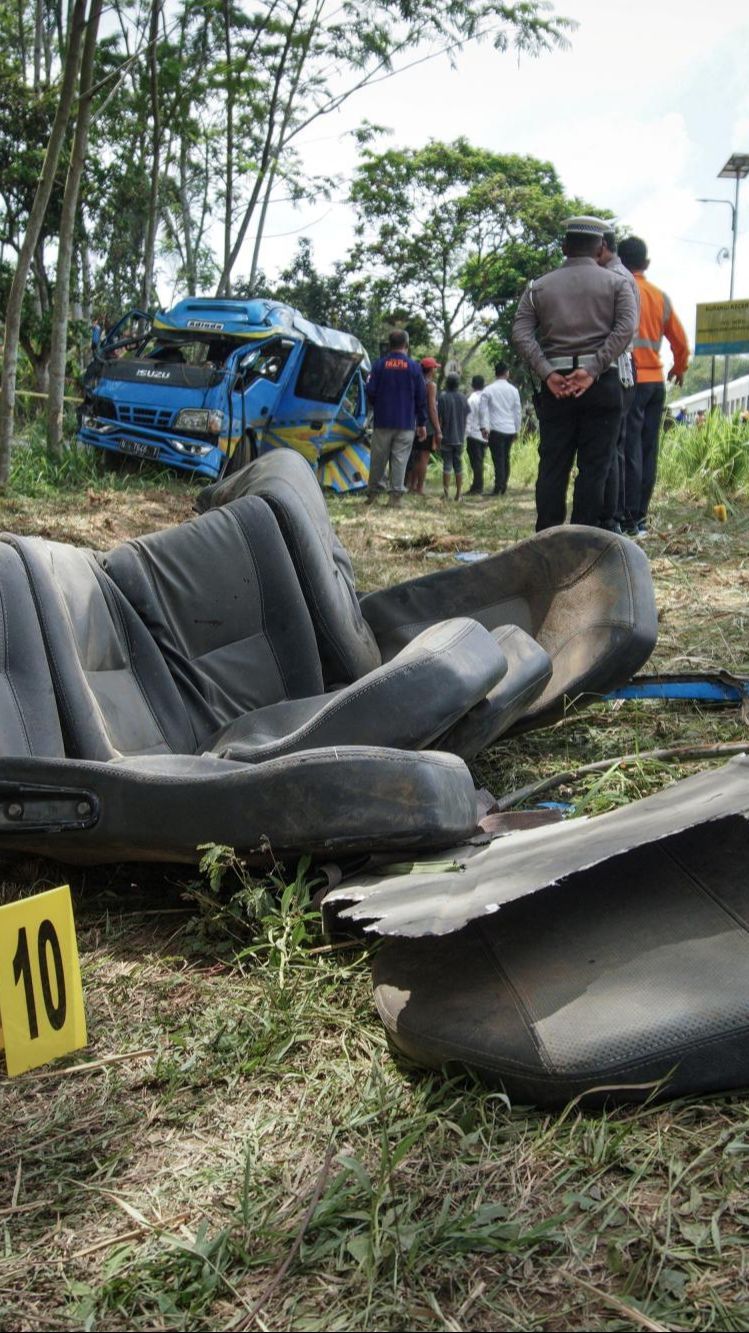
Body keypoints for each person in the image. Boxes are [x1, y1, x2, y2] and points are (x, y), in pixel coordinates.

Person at [511, 215, 638, 531]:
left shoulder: (538, 287)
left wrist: (547, 372)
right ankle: (584, 538)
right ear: (600, 249)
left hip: (556, 386)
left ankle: (549, 537)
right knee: (595, 467)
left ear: (565, 246)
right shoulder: (618, 284)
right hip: (601, 383)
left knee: (553, 465)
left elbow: (521, 333)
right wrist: (592, 369)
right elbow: (626, 329)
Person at [617, 236, 690, 536]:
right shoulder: (661, 297)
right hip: (655, 383)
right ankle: (641, 518)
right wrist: (679, 368)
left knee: (629, 450)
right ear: (646, 264)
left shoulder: (620, 290)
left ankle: (628, 517)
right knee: (649, 450)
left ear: (618, 261)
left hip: (629, 381)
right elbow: (681, 342)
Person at [597, 230, 639, 531]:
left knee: (610, 446)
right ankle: (617, 515)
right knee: (615, 446)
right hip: (621, 368)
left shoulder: (615, 279)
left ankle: (611, 518)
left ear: (601, 247)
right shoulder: (618, 275)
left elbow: (622, 330)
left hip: (617, 368)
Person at [365, 330, 427, 508]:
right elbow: (421, 397)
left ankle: (373, 495)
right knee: (400, 459)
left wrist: (378, 404)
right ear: (406, 345)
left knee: (378, 458)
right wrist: (421, 423)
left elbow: (370, 390)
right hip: (406, 422)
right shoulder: (414, 367)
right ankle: (395, 498)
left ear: (389, 345)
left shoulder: (379, 365)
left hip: (383, 420)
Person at [479, 362, 521, 496]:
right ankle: (503, 486)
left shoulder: (488, 390)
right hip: (509, 428)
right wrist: (517, 429)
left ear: (495, 373)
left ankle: (498, 487)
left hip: (495, 429)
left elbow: (483, 411)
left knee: (498, 459)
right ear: (507, 373)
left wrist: (484, 427)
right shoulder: (513, 390)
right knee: (506, 458)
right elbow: (517, 411)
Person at [407, 356, 441, 494]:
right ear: (431, 370)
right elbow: (432, 408)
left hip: (413, 423)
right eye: (435, 368)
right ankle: (419, 488)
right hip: (426, 424)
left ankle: (411, 485)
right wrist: (438, 429)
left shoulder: (415, 382)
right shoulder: (430, 385)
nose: (436, 371)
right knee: (423, 457)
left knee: (415, 456)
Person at [438, 373, 469, 501]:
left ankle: (445, 495)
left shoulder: (443, 398)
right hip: (460, 437)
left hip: (446, 436)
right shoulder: (463, 398)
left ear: (447, 384)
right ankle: (459, 494)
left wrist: (438, 434)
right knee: (458, 465)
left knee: (447, 465)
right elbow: (466, 415)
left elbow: (439, 418)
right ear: (458, 384)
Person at [465, 374, 486, 494]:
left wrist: (465, 434)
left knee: (476, 462)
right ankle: (477, 485)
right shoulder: (486, 397)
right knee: (480, 461)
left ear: (472, 385)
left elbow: (468, 418)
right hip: (485, 435)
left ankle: (478, 486)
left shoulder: (471, 399)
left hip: (474, 435)